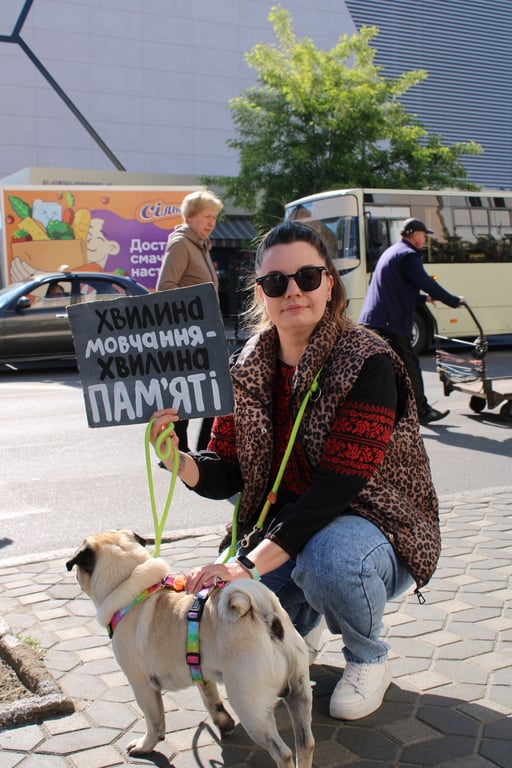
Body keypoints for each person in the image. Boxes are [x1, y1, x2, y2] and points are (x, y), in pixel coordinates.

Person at [150, 220, 441, 721]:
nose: (293, 292)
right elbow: (227, 469)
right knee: (229, 603)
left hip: (377, 526)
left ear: (330, 283)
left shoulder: (369, 360)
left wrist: (244, 563)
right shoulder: (246, 365)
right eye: (275, 282)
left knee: (325, 561)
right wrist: (179, 461)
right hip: (289, 525)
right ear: (260, 293)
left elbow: (335, 489)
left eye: (307, 277)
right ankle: (301, 626)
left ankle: (369, 656)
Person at [359, 217, 465, 425]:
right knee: (410, 366)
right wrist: (454, 301)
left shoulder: (391, 252)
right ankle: (421, 411)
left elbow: (395, 289)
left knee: (387, 368)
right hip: (391, 323)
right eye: (424, 236)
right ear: (415, 235)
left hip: (375, 320)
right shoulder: (408, 255)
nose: (424, 240)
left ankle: (394, 410)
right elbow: (426, 282)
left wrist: (424, 299)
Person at [156, 189, 223, 451]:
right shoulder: (181, 243)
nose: (211, 222)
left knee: (213, 395)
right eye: (207, 216)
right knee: (184, 398)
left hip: (205, 334)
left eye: (215, 217)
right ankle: (176, 452)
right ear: (191, 217)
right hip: (187, 336)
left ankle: (207, 450)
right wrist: (195, 312)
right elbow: (165, 288)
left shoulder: (202, 246)